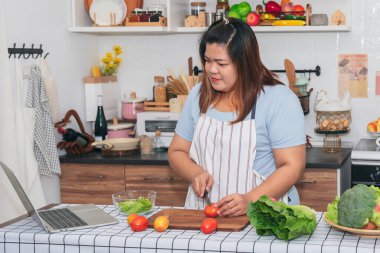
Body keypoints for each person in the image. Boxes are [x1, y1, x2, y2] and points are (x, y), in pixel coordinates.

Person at [168, 18, 306, 217]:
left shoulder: (279, 99)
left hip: (264, 214)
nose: (211, 69)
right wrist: (195, 172)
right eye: (207, 60)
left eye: (221, 63)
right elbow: (177, 151)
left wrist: (249, 199)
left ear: (245, 63)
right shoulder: (198, 95)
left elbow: (293, 167)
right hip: (205, 214)